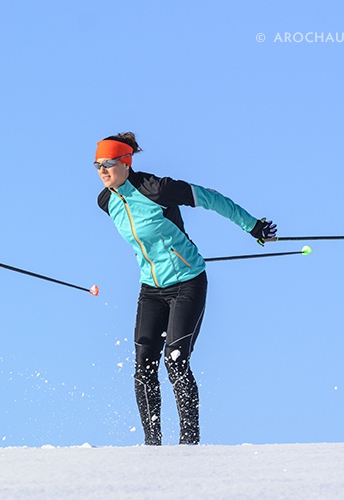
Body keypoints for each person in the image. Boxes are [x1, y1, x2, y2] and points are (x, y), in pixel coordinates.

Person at [94, 132, 276, 445]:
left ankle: (189, 443)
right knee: (143, 366)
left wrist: (252, 226)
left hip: (187, 282)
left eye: (108, 164)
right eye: (97, 165)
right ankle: (152, 445)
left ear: (126, 162)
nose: (102, 171)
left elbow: (209, 197)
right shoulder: (107, 202)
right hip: (151, 289)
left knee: (175, 359)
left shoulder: (156, 189)